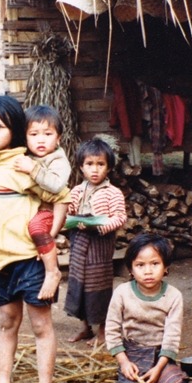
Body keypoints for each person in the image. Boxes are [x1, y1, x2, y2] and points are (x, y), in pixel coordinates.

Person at [0, 95, 70, 383]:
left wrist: (52, 234)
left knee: (41, 325)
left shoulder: (24, 166)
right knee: (6, 322)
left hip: (29, 259)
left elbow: (61, 195)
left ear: (14, 130)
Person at [105, 233, 188, 383]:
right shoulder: (122, 293)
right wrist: (124, 362)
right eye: (140, 265)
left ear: (166, 267)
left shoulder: (173, 296)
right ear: (130, 269)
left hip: (161, 357)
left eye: (155, 264)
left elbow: (172, 338)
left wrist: (159, 368)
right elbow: (111, 330)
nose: (148, 271)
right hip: (132, 354)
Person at [63, 137, 127, 343]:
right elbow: (67, 212)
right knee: (78, 285)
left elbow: (120, 217)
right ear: (81, 167)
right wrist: (70, 220)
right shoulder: (76, 191)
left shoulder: (113, 193)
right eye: (89, 164)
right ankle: (85, 328)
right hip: (78, 244)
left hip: (99, 248)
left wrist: (99, 226)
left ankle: (102, 330)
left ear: (108, 168)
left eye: (100, 164)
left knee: (97, 288)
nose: (95, 170)